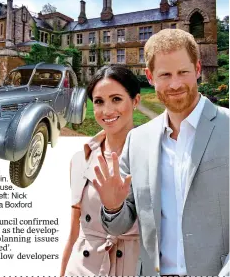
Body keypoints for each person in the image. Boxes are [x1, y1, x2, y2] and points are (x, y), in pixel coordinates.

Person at [94, 29, 229, 276]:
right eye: (165, 74)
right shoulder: (137, 140)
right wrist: (113, 207)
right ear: (149, 76)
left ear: (198, 69)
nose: (175, 84)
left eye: (183, 72)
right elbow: (120, 224)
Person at [60, 65, 141, 276]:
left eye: (116, 99)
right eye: (99, 102)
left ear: (135, 101)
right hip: (82, 269)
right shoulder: (80, 160)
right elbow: (75, 232)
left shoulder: (158, 155)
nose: (107, 111)